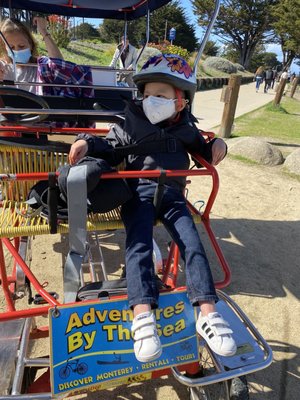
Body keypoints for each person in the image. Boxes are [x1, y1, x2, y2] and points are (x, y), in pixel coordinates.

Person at [69, 54, 237, 363]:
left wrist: (219, 145)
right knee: (139, 246)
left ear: (180, 103)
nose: (150, 101)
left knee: (192, 245)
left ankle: (208, 312)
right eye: (146, 95)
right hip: (138, 193)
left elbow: (205, 148)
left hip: (173, 195)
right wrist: (85, 142)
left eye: (160, 96)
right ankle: (142, 315)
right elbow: (107, 144)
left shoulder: (186, 128)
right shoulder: (129, 122)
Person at [0, 17, 63, 93]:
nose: (17, 50)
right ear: (5, 48)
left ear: (31, 45)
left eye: (22, 46)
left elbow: (61, 67)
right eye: (11, 47)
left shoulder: (41, 66)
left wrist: (44, 31)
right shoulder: (3, 68)